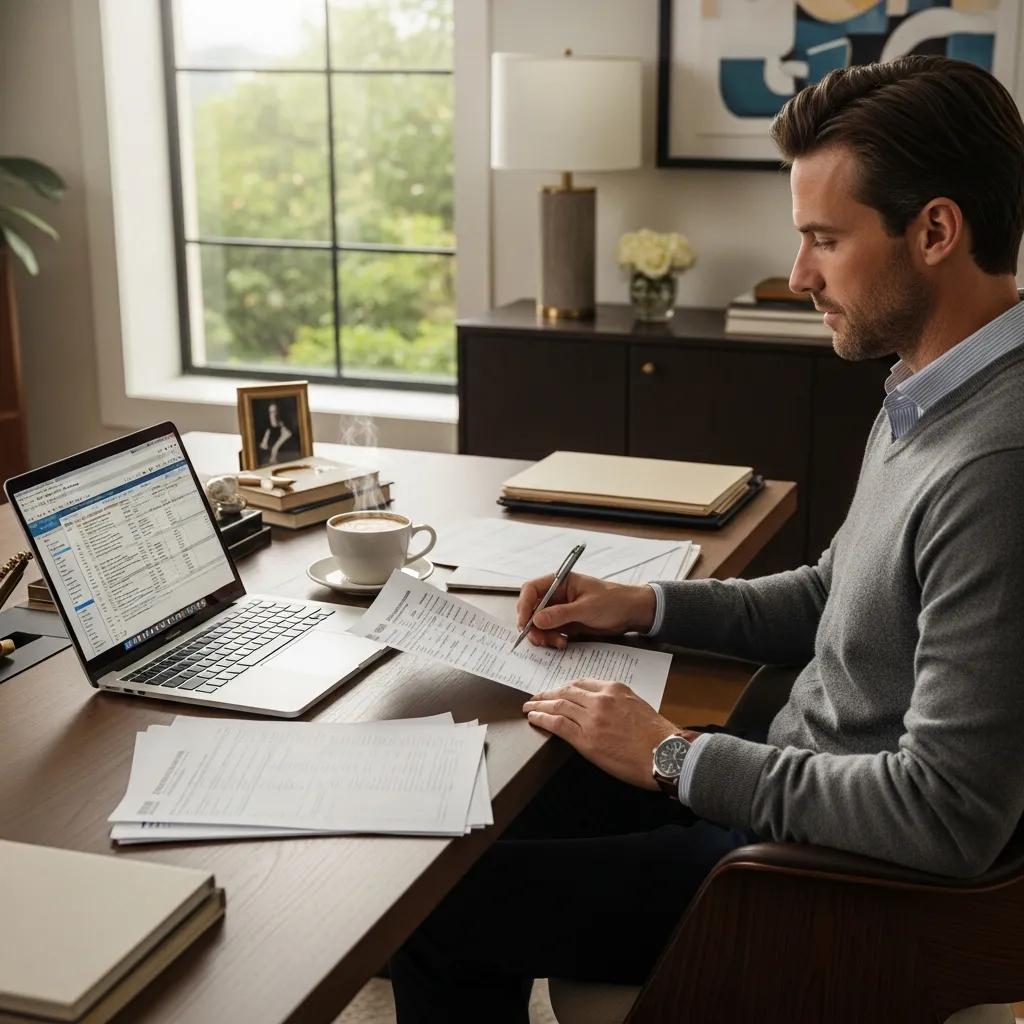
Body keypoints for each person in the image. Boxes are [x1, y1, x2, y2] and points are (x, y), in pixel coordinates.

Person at [389, 55, 1024, 1023]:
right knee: (475, 810)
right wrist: (642, 606)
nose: (799, 274)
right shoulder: (928, 386)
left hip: (826, 885)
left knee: (435, 904)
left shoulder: (996, 462)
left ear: (935, 229)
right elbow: (834, 595)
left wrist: (674, 755)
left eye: (824, 239)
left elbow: (944, 816)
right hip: (796, 790)